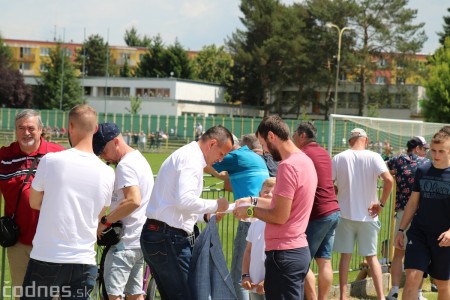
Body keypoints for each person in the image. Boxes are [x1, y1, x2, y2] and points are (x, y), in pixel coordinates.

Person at [22, 104, 115, 299]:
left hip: (47, 257)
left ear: (70, 127)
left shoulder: (50, 160)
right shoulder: (108, 172)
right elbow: (100, 212)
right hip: (84, 261)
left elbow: (34, 202)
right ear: (96, 128)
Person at [140, 125, 233, 299]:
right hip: (168, 238)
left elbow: (176, 205)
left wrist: (205, 216)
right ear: (212, 144)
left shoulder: (187, 155)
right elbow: (184, 201)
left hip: (160, 235)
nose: (220, 160)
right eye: (221, 154)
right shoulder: (191, 159)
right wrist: (216, 204)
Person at [233, 115, 318, 300]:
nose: (265, 152)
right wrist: (252, 200)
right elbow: (281, 203)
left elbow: (280, 215)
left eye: (263, 145)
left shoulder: (287, 166)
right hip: (297, 250)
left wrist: (249, 211)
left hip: (284, 254)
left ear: (271, 136)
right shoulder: (305, 161)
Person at [0, 109, 65, 296]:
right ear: (15, 130)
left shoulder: (59, 155)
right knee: (23, 295)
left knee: (50, 295)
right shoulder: (4, 156)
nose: (26, 132)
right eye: (21, 128)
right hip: (18, 243)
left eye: (31, 128)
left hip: (52, 242)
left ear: (40, 130)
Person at [93, 122, 154, 300]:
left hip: (124, 244)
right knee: (135, 295)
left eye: (103, 151)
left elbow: (133, 200)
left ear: (115, 142)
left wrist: (105, 222)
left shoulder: (125, 165)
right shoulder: (140, 159)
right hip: (138, 242)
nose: (103, 157)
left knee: (114, 296)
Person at [205, 133, 270, 300]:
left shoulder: (236, 156)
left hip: (249, 219)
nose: (220, 155)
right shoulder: (251, 157)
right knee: (257, 272)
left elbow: (207, 163)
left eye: (221, 151)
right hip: (264, 218)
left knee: (240, 274)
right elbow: (223, 175)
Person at [332, 128, 393, 300]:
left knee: (345, 256)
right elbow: (389, 180)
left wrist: (338, 191)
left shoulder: (339, 157)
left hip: (345, 214)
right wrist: (381, 203)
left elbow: (330, 185)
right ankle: (381, 296)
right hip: (369, 215)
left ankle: (343, 296)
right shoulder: (374, 156)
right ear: (365, 140)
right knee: (372, 257)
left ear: (351, 141)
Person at [395, 130, 450, 300]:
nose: (436, 155)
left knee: (443, 285)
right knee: (412, 278)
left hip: (443, 238)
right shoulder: (423, 170)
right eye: (433, 150)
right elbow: (412, 203)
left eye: (441, 151)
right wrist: (401, 229)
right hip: (419, 233)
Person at [293, 121, 341, 300]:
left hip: (318, 213)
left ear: (302, 136)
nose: (293, 138)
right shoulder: (324, 153)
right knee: (324, 261)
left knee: (301, 261)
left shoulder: (303, 155)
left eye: (295, 135)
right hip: (333, 211)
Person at [386, 136, 430, 300]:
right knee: (422, 253)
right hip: (421, 212)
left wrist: (393, 173)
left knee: (398, 253)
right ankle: (417, 292)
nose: (425, 152)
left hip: (402, 211)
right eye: (424, 149)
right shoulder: (426, 164)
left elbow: (383, 168)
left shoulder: (397, 160)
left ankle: (394, 290)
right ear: (417, 148)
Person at [241, 177, 276, 300]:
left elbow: (280, 256)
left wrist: (268, 280)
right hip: (254, 284)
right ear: (259, 195)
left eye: (273, 192)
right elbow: (248, 251)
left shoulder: (278, 223)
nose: (269, 195)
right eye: (266, 192)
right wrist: (245, 275)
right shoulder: (255, 222)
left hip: (272, 285)